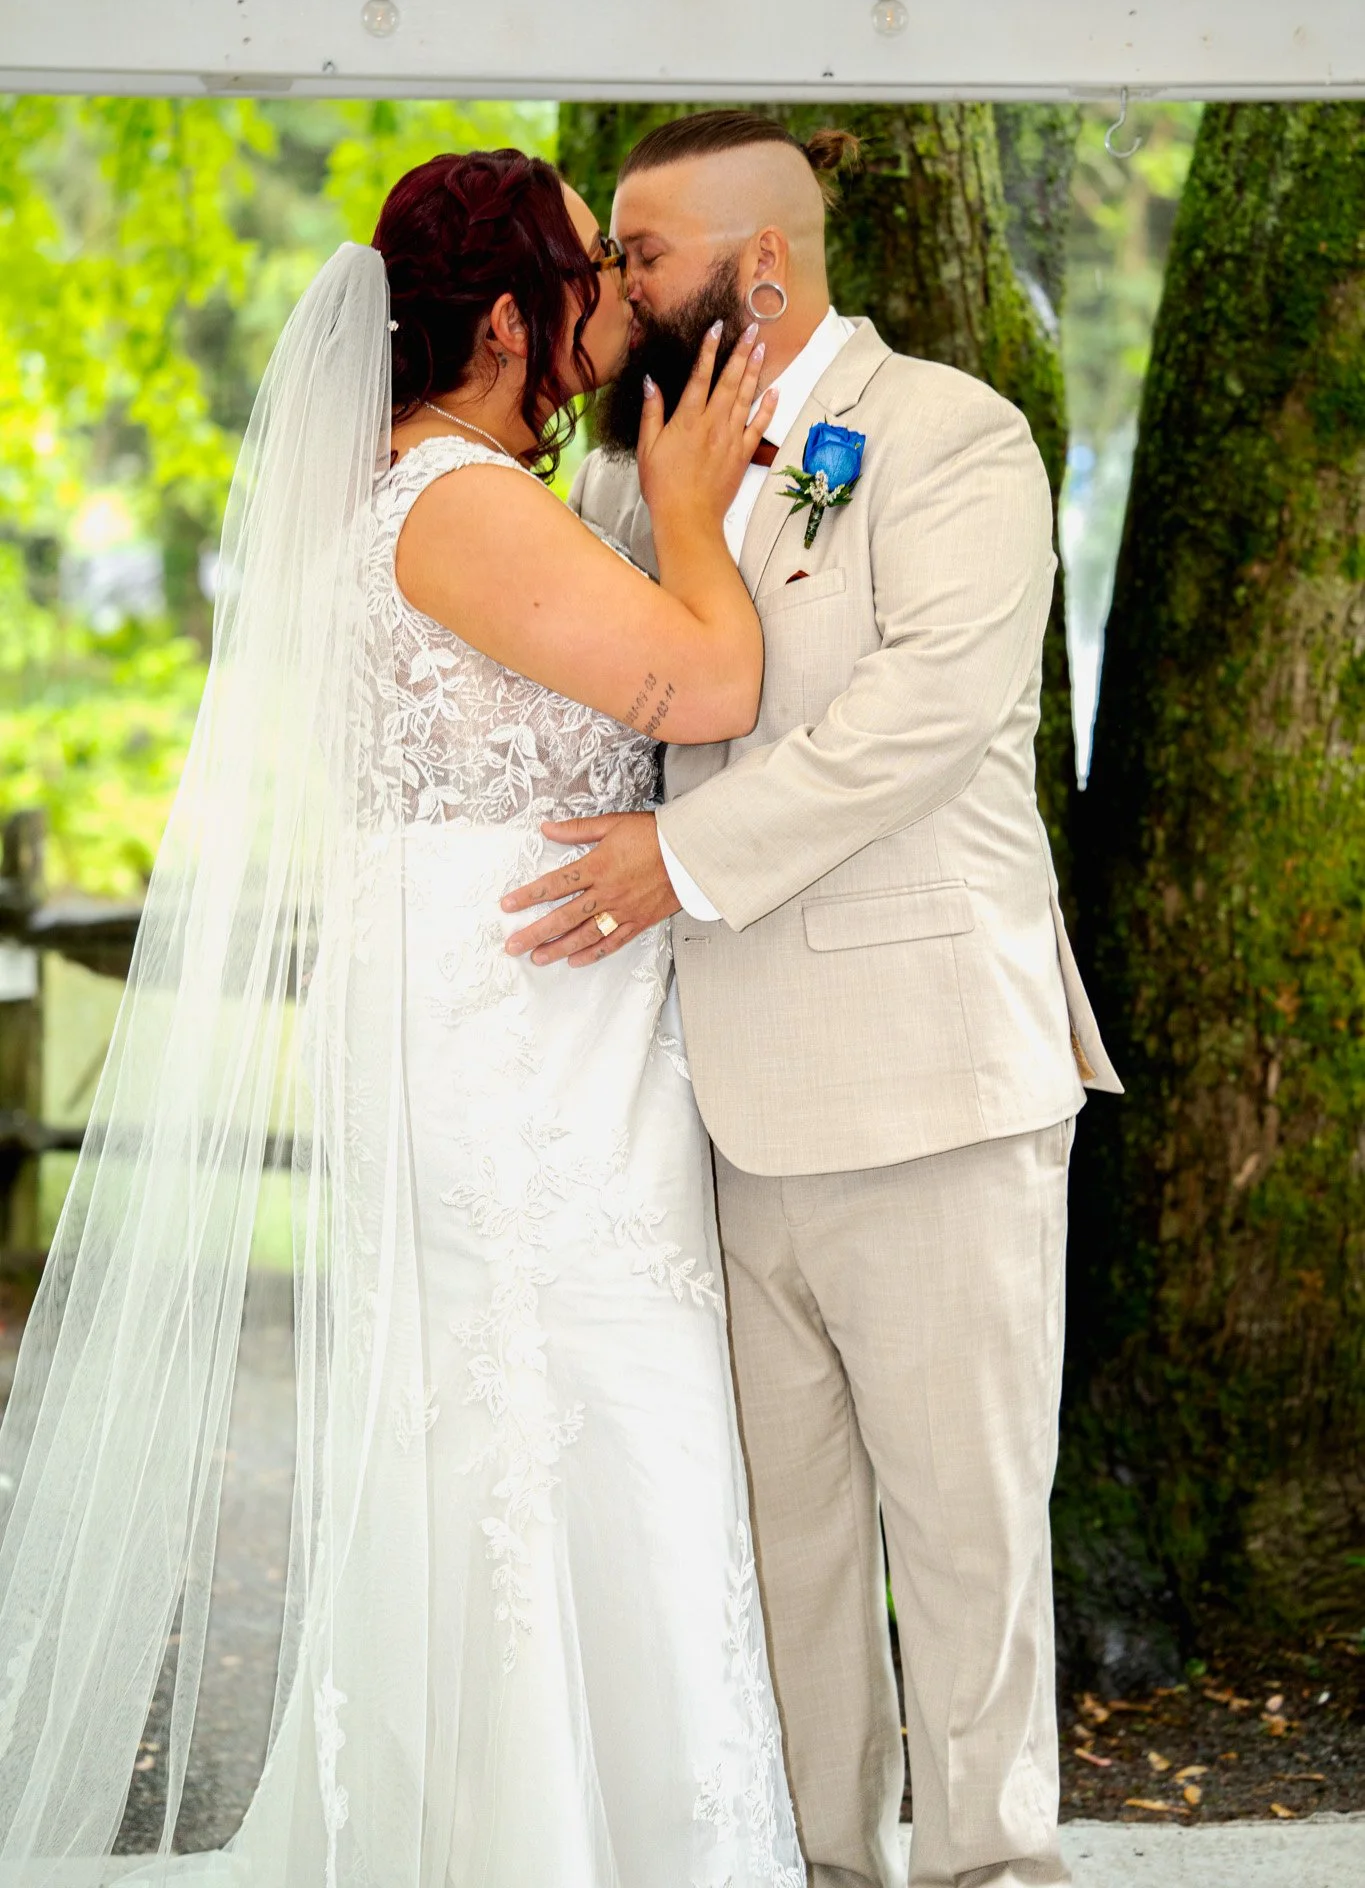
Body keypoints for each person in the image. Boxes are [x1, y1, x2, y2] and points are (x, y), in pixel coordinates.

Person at [0, 148, 802, 1887]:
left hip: (521, 1011)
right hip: (521, 1043)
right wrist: (684, 510)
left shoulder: (425, 496)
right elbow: (713, 681)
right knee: (563, 1407)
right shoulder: (456, 504)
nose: (616, 295)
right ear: (512, 320)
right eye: (591, 268)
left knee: (532, 1421)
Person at [503, 111, 1124, 1888]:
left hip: (932, 1081)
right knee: (780, 1553)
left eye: (642, 254)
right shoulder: (633, 475)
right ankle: (821, 1867)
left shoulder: (949, 437)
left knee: (965, 1538)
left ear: (758, 271)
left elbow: (923, 717)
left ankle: (994, 1866)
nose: (618, 284)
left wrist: (677, 867)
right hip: (710, 1108)